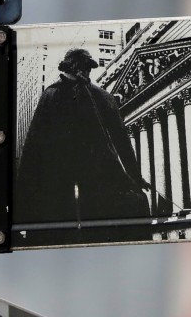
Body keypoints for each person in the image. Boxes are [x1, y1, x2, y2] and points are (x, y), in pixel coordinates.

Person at [16, 47, 151, 245]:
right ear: (76, 68)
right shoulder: (95, 97)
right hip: (81, 187)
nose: (86, 72)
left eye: (88, 69)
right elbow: (123, 144)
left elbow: (32, 149)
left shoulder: (57, 95)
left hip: (74, 188)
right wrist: (135, 177)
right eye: (85, 68)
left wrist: (136, 177)